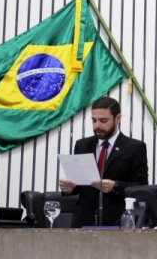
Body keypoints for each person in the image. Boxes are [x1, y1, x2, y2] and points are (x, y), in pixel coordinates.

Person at [59, 96, 148, 227]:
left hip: (117, 221)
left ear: (118, 118)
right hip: (84, 221)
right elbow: (79, 185)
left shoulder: (134, 147)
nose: (97, 126)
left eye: (103, 121)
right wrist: (69, 188)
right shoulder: (82, 145)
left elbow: (141, 187)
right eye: (94, 121)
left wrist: (115, 186)